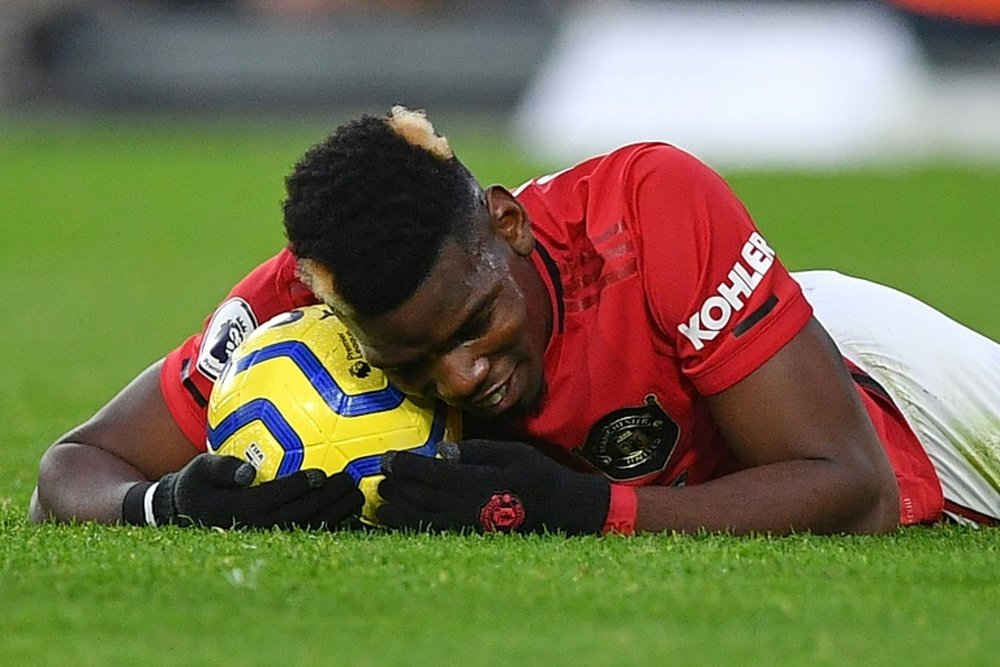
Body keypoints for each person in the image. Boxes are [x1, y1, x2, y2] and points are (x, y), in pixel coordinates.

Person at [30, 106, 1000, 534]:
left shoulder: (644, 210)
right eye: (410, 360)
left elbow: (853, 491)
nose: (461, 377)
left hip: (860, 374)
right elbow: (71, 470)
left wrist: (576, 508)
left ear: (507, 223)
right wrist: (175, 503)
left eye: (475, 323)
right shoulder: (311, 294)